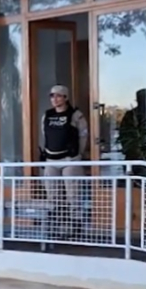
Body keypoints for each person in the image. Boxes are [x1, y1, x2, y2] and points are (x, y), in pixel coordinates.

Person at [39, 85, 89, 239]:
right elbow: (44, 134)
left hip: (70, 160)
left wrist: (78, 154)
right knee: (53, 196)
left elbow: (83, 135)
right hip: (51, 160)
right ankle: (58, 225)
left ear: (66, 98)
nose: (54, 99)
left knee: (73, 195)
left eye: (58, 95)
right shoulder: (46, 115)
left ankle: (75, 228)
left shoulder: (75, 115)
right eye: (52, 95)